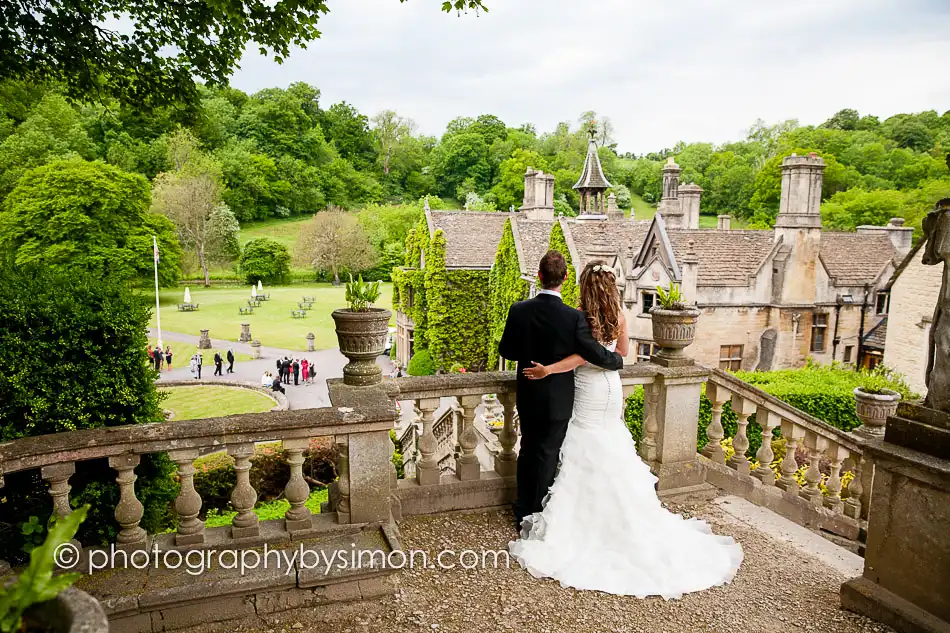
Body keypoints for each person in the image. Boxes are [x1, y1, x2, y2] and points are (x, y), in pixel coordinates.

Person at [507, 258, 743, 599]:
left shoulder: (579, 315)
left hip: (587, 385)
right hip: (610, 387)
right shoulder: (619, 314)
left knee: (582, 440)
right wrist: (613, 361)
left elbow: (583, 356)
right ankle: (623, 516)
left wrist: (551, 369)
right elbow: (622, 352)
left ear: (584, 284)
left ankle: (580, 519)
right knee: (608, 439)